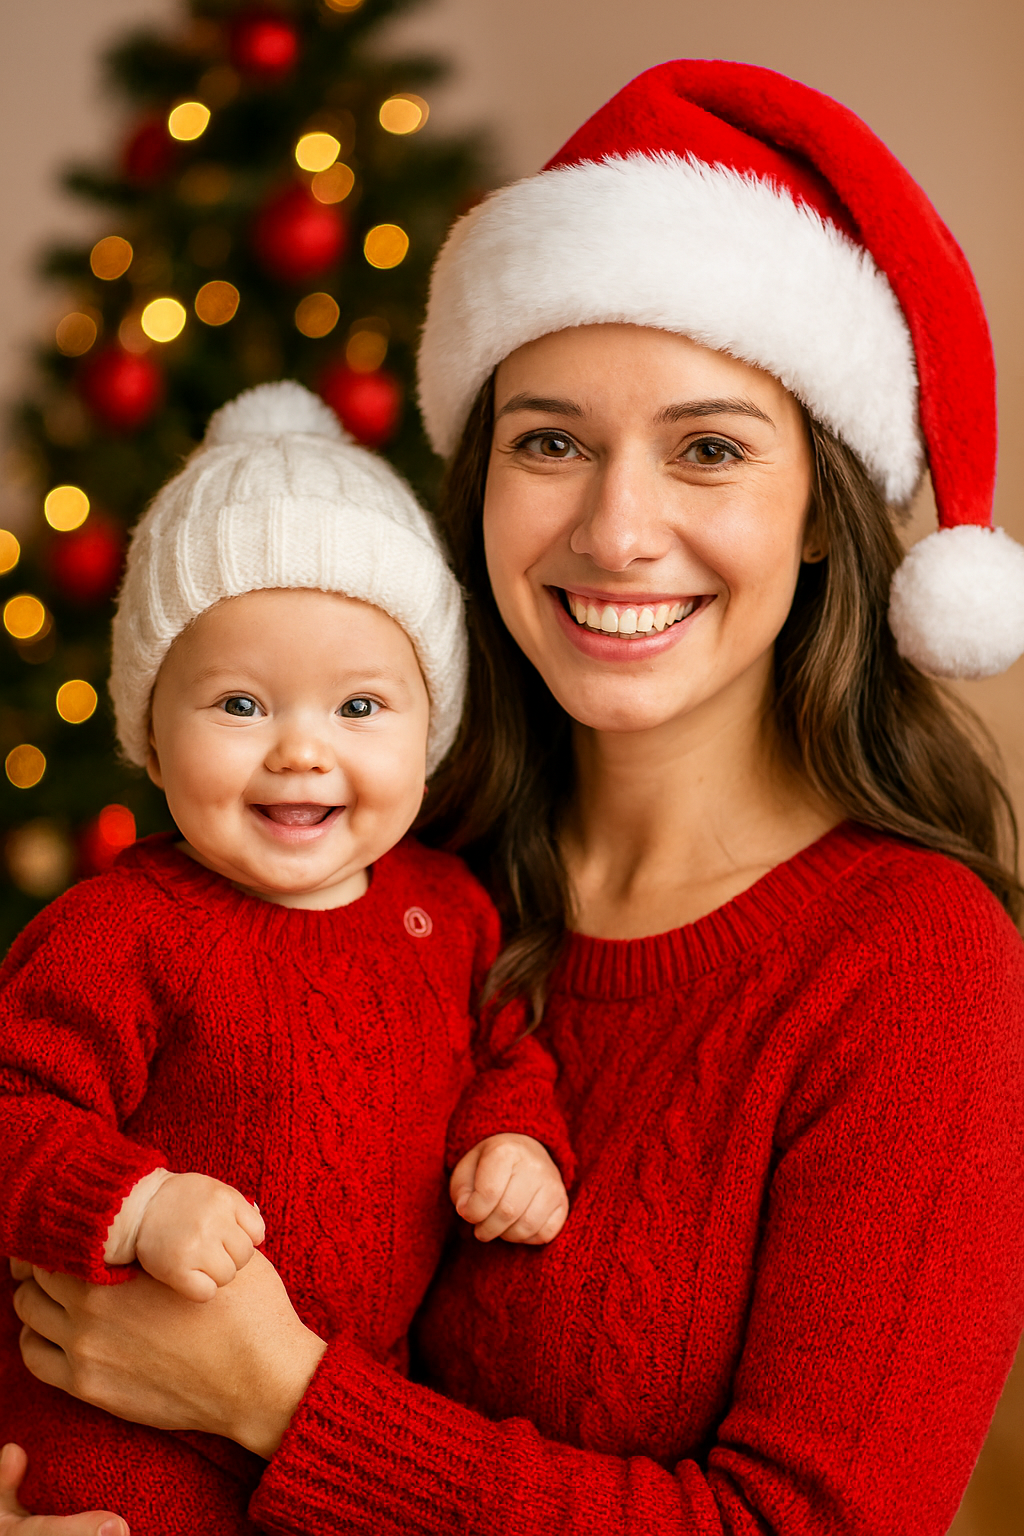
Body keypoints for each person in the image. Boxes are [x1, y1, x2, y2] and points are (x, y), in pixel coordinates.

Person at [6, 58, 1024, 1536]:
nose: (617, 529)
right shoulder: (376, 862)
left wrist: (275, 1399)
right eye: (550, 439)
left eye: (710, 450)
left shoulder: (919, 966)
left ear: (822, 514)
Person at [0, 382, 571, 1530]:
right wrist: (134, 1203)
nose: (301, 750)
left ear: (431, 731)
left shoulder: (446, 910)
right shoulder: (127, 926)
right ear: (151, 742)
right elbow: (16, 1095)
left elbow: (502, 1049)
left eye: (361, 707)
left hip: (340, 1413)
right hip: (115, 1420)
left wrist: (514, 1139)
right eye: (241, 704)